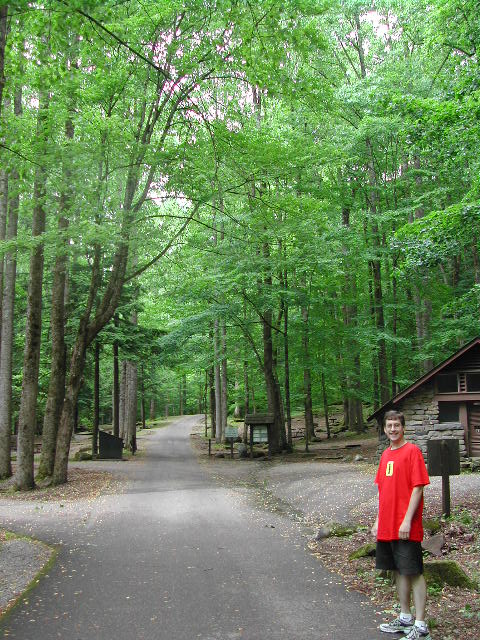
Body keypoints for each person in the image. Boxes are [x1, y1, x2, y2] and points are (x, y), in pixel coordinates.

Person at [371, 410, 431, 640]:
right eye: (389, 426)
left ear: (403, 427)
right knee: (398, 570)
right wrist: (378, 520)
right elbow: (382, 490)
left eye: (397, 425)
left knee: (413, 571)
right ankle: (405, 618)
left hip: (406, 526)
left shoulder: (412, 451)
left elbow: (418, 487)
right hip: (388, 526)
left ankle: (420, 624)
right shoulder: (386, 454)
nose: (393, 429)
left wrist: (407, 519)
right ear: (385, 429)